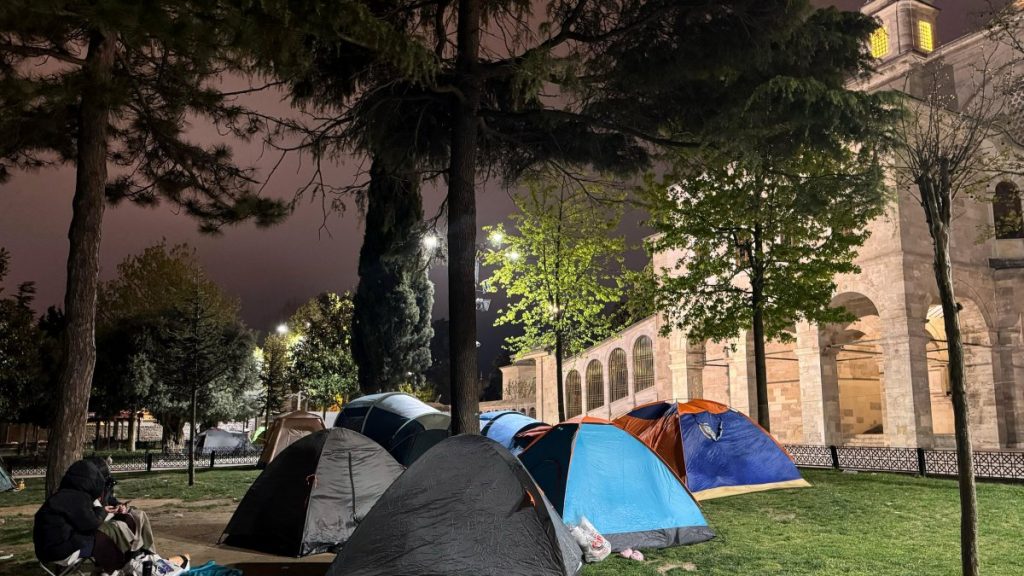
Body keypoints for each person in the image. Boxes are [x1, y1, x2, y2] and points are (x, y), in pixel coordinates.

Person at [33, 460, 127, 571]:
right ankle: (115, 570)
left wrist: (101, 510)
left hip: (45, 550)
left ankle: (108, 570)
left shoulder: (63, 494)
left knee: (101, 538)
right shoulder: (78, 498)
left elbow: (84, 520)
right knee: (104, 541)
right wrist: (102, 511)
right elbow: (92, 524)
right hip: (58, 552)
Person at [83, 456, 158, 556]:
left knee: (138, 514)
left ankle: (147, 550)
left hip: (108, 514)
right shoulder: (83, 491)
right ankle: (132, 554)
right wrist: (104, 511)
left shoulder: (106, 484)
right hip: (99, 521)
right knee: (122, 524)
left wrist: (119, 505)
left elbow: (110, 500)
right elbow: (88, 515)